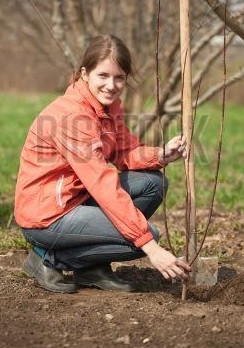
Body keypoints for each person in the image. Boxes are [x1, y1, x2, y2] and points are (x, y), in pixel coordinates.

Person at [15, 34, 191, 294]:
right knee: (144, 238)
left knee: (153, 183)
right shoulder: (73, 116)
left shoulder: (106, 106)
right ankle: (46, 258)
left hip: (77, 197)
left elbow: (123, 150)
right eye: (103, 76)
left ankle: (90, 268)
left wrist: (161, 155)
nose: (111, 85)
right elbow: (102, 184)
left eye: (119, 77)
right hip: (48, 215)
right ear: (84, 74)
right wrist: (150, 247)